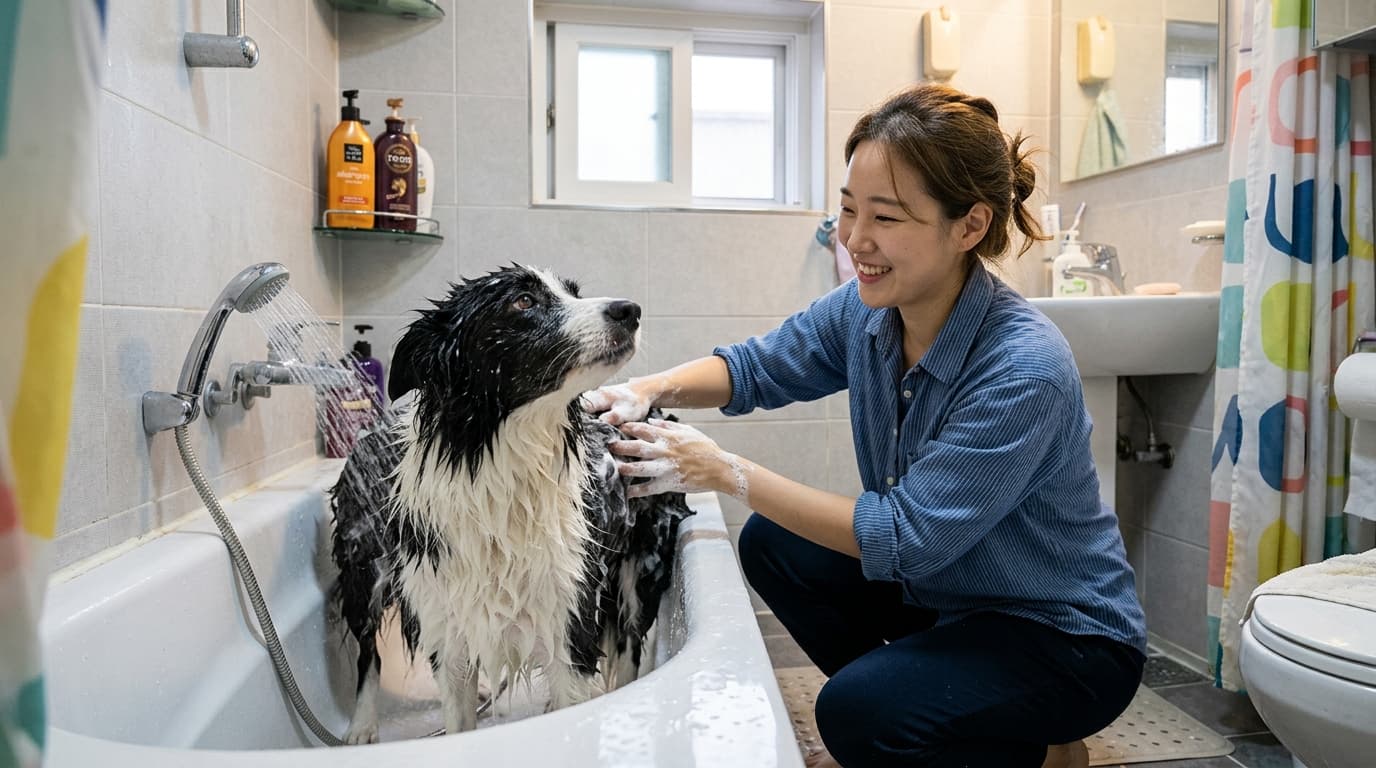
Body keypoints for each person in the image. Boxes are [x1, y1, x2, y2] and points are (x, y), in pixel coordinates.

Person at [583, 82, 1147, 768]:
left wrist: (723, 469)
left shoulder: (1022, 368)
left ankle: (1013, 743)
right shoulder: (867, 311)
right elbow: (758, 368)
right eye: (850, 210)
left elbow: (907, 538)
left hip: (1064, 638)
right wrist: (647, 386)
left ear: (968, 227)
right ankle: (977, 727)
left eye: (886, 217)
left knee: (855, 714)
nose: (856, 240)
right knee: (773, 543)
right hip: (954, 598)